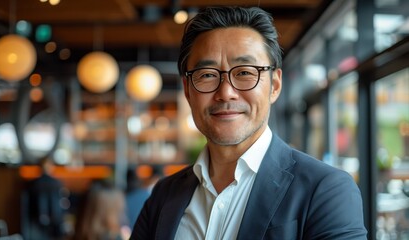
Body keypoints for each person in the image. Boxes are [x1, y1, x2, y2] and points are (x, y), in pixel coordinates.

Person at [130, 6, 367, 240]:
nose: (226, 93)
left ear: (274, 85)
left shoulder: (325, 189)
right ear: (187, 90)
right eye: (207, 75)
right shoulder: (164, 195)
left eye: (244, 72)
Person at [26, 156, 66, 240]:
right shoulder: (56, 183)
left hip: (36, 222)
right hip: (54, 222)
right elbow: (59, 206)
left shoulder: (33, 183)